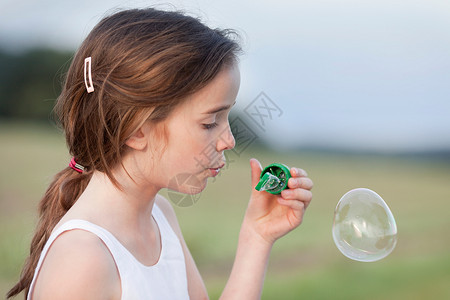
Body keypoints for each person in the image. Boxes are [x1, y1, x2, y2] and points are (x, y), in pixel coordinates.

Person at [7, 7, 313, 300]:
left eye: (227, 118)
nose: (229, 140)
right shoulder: (81, 262)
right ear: (136, 130)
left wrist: (257, 237)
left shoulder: (160, 216)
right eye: (209, 123)